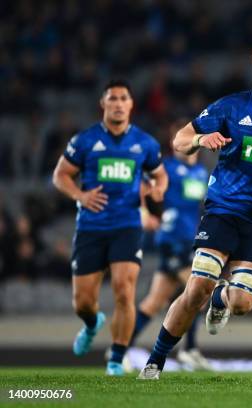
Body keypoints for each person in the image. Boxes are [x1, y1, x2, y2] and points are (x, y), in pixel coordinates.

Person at [138, 40, 252, 380]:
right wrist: (199, 141)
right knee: (197, 286)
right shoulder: (231, 107)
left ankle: (222, 299)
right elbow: (179, 139)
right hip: (223, 210)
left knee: (243, 303)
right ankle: (155, 361)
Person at [52, 79, 168, 376]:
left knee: (124, 289)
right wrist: (80, 195)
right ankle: (92, 324)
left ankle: (116, 358)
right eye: (112, 98)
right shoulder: (85, 141)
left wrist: (157, 190)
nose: (118, 103)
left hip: (127, 224)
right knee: (83, 303)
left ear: (131, 105)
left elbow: (160, 176)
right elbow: (60, 175)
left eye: (123, 98)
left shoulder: (145, 143)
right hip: (91, 227)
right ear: (103, 104)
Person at [129, 119, 212, 371]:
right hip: (171, 239)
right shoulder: (166, 168)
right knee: (197, 289)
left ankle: (121, 347)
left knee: (154, 301)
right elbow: (138, 184)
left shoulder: (201, 172)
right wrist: (144, 212)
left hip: (190, 239)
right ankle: (189, 349)